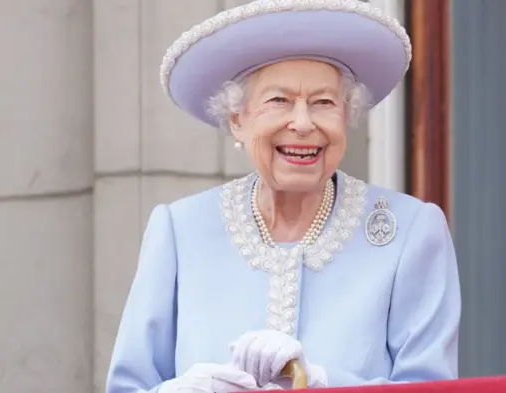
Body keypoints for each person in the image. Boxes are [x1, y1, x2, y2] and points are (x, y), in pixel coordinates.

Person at [105, 1, 461, 392]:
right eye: (279, 101)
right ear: (237, 119)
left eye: (323, 103)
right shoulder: (179, 230)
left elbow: (431, 388)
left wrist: (323, 383)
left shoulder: (411, 232)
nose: (303, 123)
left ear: (347, 115)